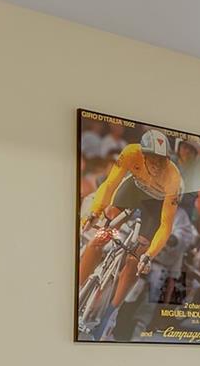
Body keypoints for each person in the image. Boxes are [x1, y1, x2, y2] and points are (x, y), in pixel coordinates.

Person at [77, 128, 185, 324]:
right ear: (142, 155)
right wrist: (96, 211)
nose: (158, 165)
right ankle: (76, 289)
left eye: (163, 160)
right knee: (101, 234)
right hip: (135, 189)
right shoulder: (130, 152)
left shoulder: (173, 178)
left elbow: (165, 225)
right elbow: (110, 184)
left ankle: (111, 313)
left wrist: (149, 255)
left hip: (156, 205)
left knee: (136, 258)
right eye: (153, 159)